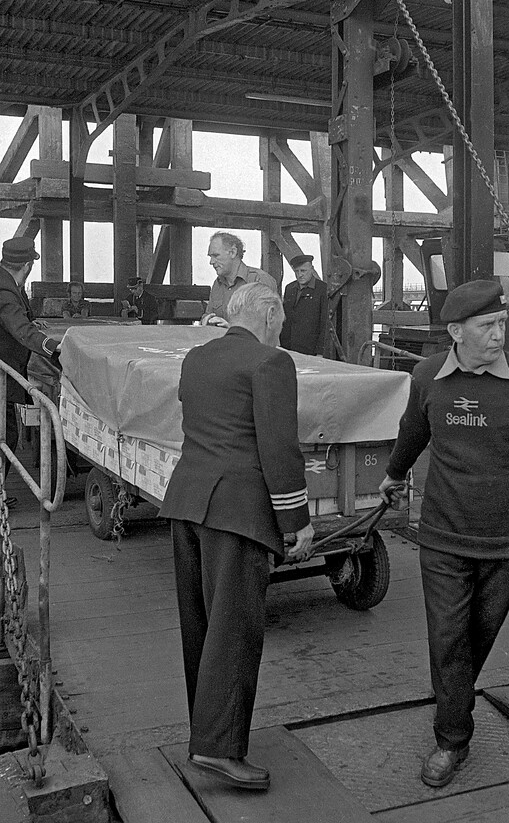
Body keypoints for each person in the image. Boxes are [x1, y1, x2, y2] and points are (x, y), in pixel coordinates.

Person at [379, 279, 509, 789]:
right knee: (449, 638)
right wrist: (394, 475)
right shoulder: (427, 376)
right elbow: (413, 431)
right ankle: (451, 739)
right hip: (443, 536)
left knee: (475, 638)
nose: (498, 335)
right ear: (456, 331)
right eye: (486, 326)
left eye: (502, 324)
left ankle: (451, 696)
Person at [159, 282, 314, 791]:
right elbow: (278, 447)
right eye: (282, 322)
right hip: (239, 513)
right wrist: (296, 521)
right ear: (268, 314)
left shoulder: (197, 358)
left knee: (200, 628)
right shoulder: (271, 363)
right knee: (236, 630)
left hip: (188, 501)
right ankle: (219, 749)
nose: (281, 331)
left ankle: (206, 735)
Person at [0, 237, 61, 507]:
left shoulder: (8, 282)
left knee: (7, 430)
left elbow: (16, 319)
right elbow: (20, 331)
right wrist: (52, 347)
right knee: (6, 433)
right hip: (3, 371)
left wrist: (28, 320)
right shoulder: (5, 290)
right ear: (27, 266)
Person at [201, 231, 277, 327]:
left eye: (216, 255)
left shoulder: (259, 279)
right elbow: (208, 314)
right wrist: (206, 320)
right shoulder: (217, 284)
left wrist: (232, 329)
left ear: (233, 252)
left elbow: (269, 325)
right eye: (210, 256)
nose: (211, 262)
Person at [279, 253, 328, 356]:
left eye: (303, 271)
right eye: (296, 271)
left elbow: (325, 323)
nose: (300, 275)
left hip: (310, 349)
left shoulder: (323, 290)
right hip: (289, 347)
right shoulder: (290, 288)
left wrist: (320, 351)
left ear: (312, 269)